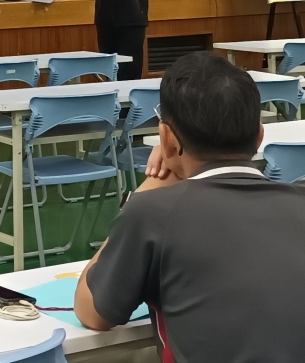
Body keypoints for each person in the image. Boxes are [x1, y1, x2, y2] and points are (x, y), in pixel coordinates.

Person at [74, 51, 305, 363]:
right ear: (259, 136)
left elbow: (91, 311)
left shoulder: (154, 213)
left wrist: (155, 181)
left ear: (167, 138)